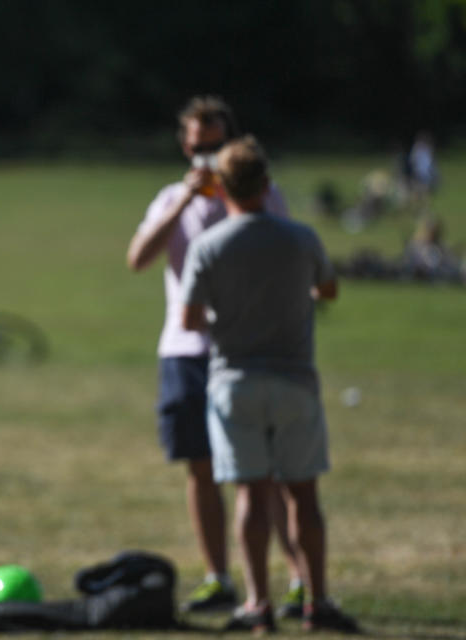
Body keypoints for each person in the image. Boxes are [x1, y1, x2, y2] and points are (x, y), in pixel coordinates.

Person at [125, 96, 303, 615]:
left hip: (247, 349)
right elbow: (138, 258)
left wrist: (231, 197)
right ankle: (218, 576)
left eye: (216, 147)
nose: (206, 157)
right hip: (185, 352)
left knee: (264, 473)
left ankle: (294, 581)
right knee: (200, 469)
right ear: (185, 146)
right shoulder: (170, 198)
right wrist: (184, 201)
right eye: (198, 147)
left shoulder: (262, 197)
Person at [180, 136, 357, 633]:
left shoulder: (208, 246)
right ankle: (316, 600)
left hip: (234, 381)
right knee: (304, 497)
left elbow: (191, 319)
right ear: (266, 184)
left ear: (220, 188)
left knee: (251, 498)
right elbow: (329, 289)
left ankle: (257, 602)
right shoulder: (300, 238)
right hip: (295, 378)